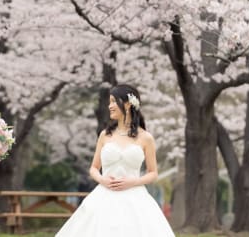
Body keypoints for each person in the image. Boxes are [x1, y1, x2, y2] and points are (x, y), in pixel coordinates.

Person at [56, 84, 175, 236]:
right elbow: (93, 168)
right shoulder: (105, 135)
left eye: (113, 101)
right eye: (109, 102)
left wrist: (133, 182)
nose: (109, 106)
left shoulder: (146, 138)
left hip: (135, 197)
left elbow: (153, 173)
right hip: (104, 196)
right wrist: (103, 180)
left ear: (127, 104)